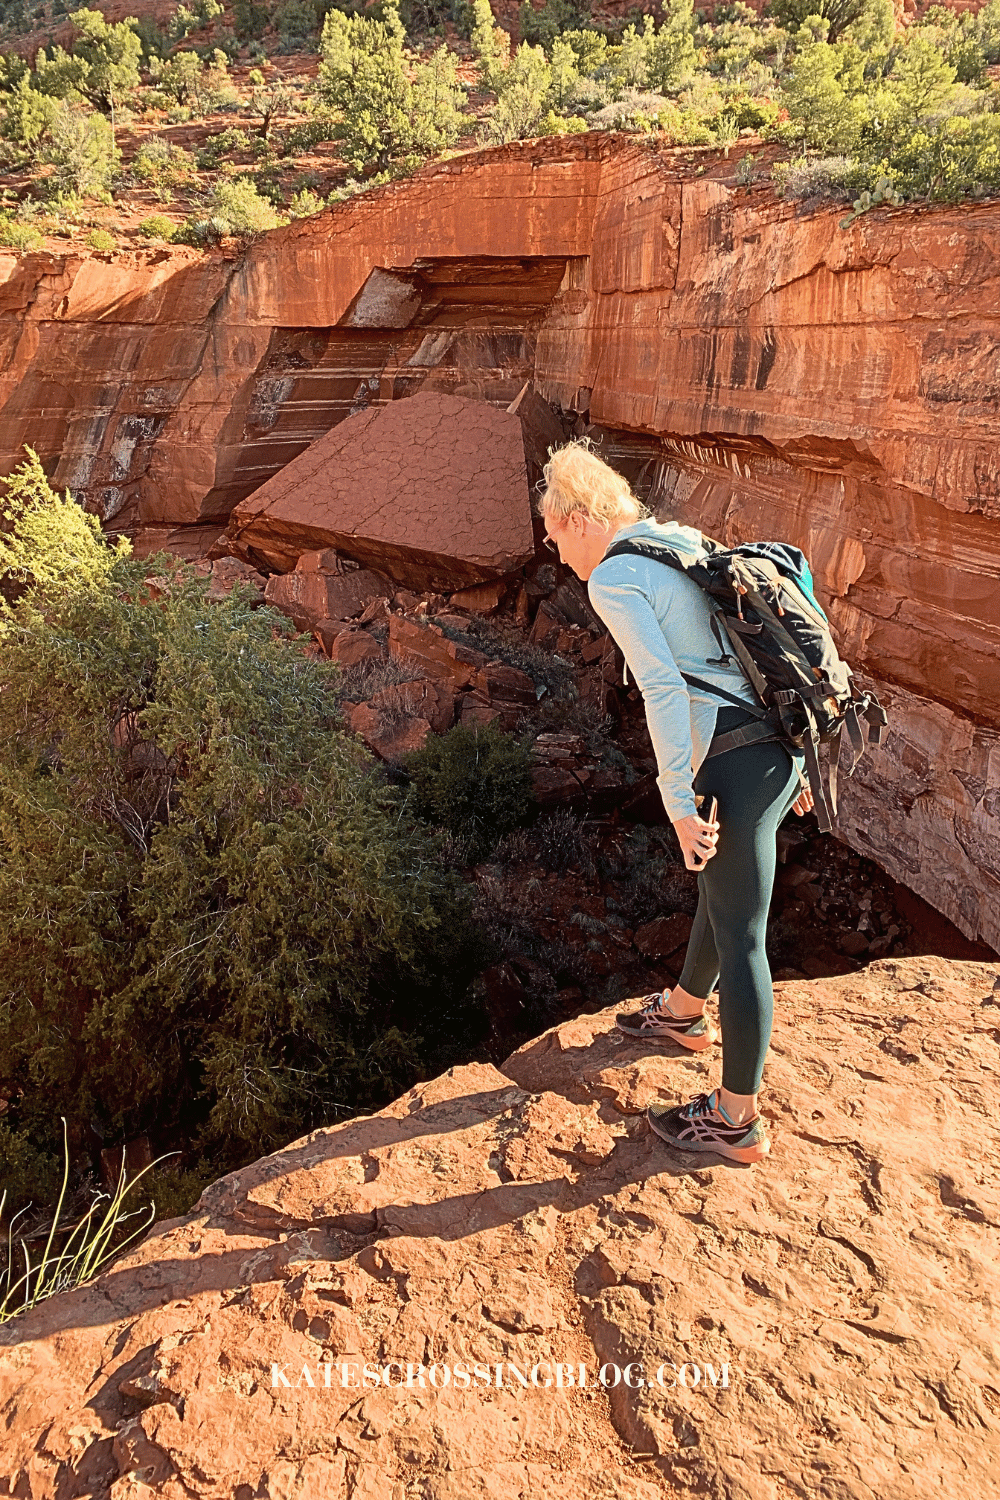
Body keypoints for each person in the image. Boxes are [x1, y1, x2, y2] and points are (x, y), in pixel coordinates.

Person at [538, 440, 813, 1165]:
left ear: (580, 517)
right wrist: (799, 761)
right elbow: (750, 645)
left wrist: (677, 801)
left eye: (553, 530)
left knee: (743, 934)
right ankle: (686, 1013)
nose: (551, 546)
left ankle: (734, 1119)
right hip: (773, 750)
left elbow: (662, 688)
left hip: (734, 761)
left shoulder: (613, 579)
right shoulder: (677, 541)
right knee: (721, 898)